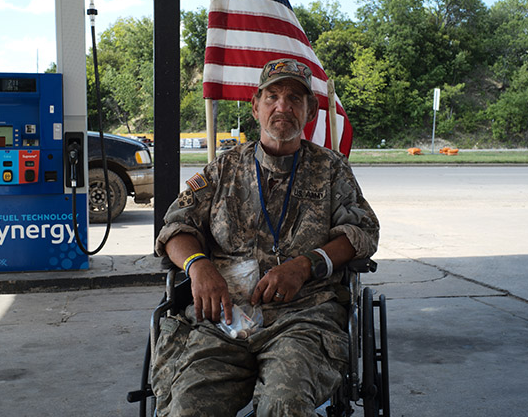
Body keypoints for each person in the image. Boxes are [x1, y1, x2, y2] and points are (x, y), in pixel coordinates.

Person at [152, 58, 380, 416]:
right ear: (255, 107)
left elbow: (362, 231)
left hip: (303, 319)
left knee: (284, 405)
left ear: (311, 112)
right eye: (272, 96)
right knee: (186, 408)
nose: (282, 106)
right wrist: (198, 267)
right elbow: (175, 228)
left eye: (294, 98)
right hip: (221, 318)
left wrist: (304, 266)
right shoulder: (223, 168)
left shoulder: (332, 169)